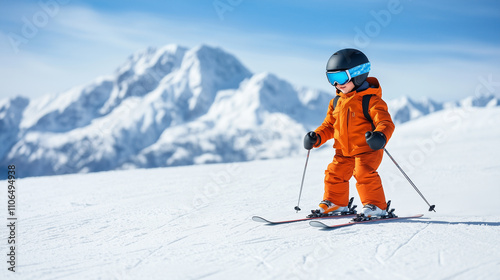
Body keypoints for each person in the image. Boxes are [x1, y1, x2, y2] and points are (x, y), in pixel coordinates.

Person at [304, 48, 395, 218]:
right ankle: (336, 203)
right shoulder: (336, 102)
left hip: (367, 150)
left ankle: (376, 206)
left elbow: (385, 122)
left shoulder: (371, 101)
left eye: (340, 78)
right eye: (331, 79)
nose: (337, 84)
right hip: (343, 151)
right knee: (334, 173)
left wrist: (380, 136)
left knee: (363, 173)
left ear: (357, 74)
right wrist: (316, 137)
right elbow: (330, 126)